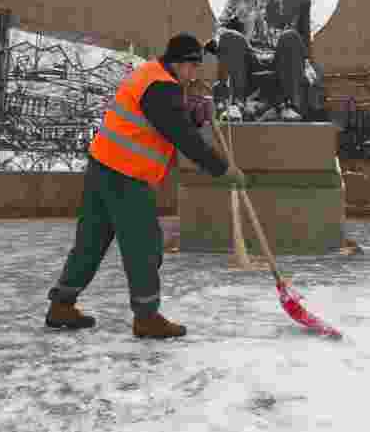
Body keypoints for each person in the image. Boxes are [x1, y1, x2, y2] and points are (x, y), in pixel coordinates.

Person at [45, 33, 247, 338]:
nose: (195, 74)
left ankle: (62, 304)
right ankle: (146, 316)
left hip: (102, 166)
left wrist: (191, 113)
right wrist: (223, 169)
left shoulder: (150, 73)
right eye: (193, 67)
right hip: (126, 175)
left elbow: (161, 119)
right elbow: (181, 136)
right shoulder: (162, 87)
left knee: (91, 241)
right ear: (179, 64)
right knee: (144, 246)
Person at [208, 0, 315, 121]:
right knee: (230, 36)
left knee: (290, 37)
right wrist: (226, 30)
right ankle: (237, 104)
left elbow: (304, 39)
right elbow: (220, 29)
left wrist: (308, 65)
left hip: (282, 56)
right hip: (248, 55)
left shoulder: (300, 0)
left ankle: (288, 104)